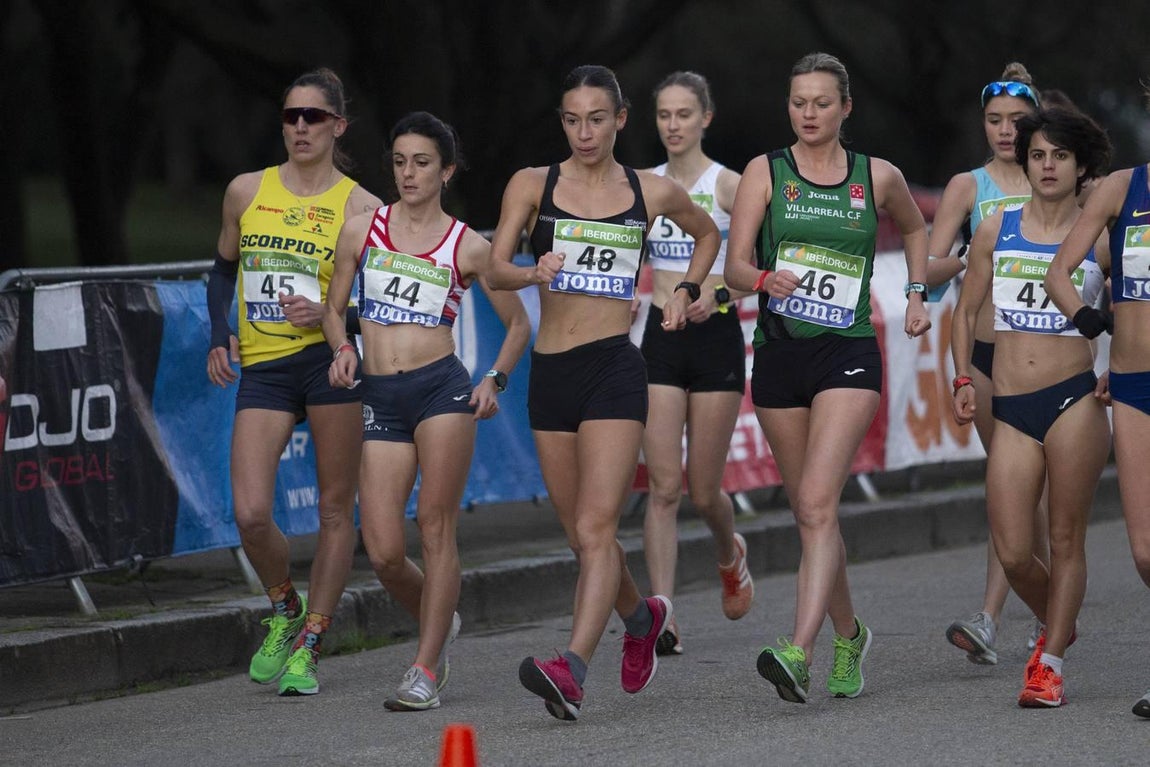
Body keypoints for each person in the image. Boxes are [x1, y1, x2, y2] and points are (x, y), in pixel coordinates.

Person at [486, 64, 720, 721]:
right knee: (580, 537)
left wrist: (686, 288)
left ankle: (573, 666)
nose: (583, 131)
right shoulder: (534, 185)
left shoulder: (651, 189)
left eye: (596, 118)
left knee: (596, 526)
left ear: (620, 120)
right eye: (571, 119)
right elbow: (494, 266)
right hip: (552, 374)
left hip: (616, 369)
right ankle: (642, 617)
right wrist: (532, 268)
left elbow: (707, 234)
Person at [724, 51, 931, 704]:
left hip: (848, 354)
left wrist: (920, 291)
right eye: (798, 102)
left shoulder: (878, 176)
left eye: (821, 103)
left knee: (816, 502)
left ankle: (799, 649)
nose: (808, 114)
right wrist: (762, 278)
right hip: (781, 357)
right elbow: (731, 265)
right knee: (814, 513)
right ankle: (850, 632)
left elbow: (918, 227)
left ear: (846, 108)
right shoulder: (766, 171)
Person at [324, 111, 530, 711]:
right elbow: (335, 308)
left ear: (446, 171)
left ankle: (424, 666)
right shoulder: (362, 230)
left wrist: (495, 377)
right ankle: (441, 619)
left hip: (442, 391)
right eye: (398, 161)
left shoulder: (467, 244)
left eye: (421, 163)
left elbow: (517, 323)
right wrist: (341, 347)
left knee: (435, 529)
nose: (408, 173)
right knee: (385, 549)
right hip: (382, 397)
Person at [205, 68, 383, 696]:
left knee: (336, 509)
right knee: (251, 513)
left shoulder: (363, 207)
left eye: (313, 116)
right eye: (290, 116)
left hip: (328, 362)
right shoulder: (245, 190)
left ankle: (311, 645)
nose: (300, 127)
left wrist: (337, 318)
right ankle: (284, 610)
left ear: (339, 125)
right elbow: (223, 268)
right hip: (265, 365)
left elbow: (386, 304)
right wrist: (217, 333)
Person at [953, 107, 1111, 707]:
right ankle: (1059, 620)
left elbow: (1131, 311)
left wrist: (1113, 371)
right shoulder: (997, 226)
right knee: (1016, 549)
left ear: (1080, 166)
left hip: (1074, 398)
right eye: (1038, 154)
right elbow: (966, 311)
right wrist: (960, 376)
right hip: (1011, 403)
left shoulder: (1098, 233)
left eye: (1060, 156)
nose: (1048, 166)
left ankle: (1048, 663)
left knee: (1066, 537)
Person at [925, 63, 1049, 665]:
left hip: (1046, 352)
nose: (1006, 132)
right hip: (984, 352)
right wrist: (972, 258)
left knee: (1021, 487)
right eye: (995, 121)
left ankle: (995, 617)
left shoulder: (1057, 181)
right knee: (1012, 486)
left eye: (1018, 121)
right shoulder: (967, 187)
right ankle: (1048, 615)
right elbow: (928, 264)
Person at [639, 71, 753, 657]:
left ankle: (730, 553)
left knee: (703, 490)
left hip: (716, 340)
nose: (674, 125)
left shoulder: (729, 186)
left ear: (706, 117)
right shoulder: (644, 186)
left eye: (685, 114)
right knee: (662, 487)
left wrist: (720, 296)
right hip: (661, 337)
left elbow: (763, 274)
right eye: (664, 115)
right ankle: (664, 613)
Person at [1045, 87, 1150, 718]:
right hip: (1134, 384)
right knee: (1144, 550)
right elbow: (1059, 271)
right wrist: (1093, 324)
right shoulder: (1120, 189)